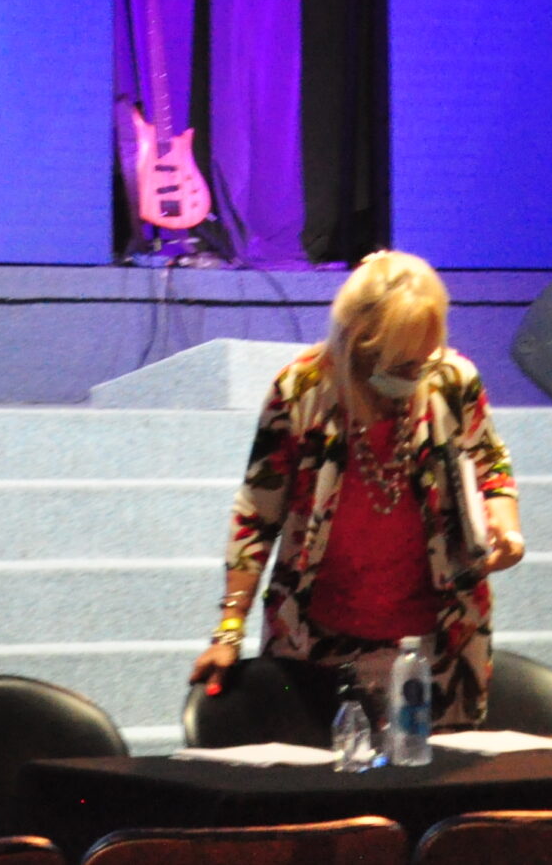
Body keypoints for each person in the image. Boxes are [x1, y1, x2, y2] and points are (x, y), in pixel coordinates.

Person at [189, 250, 526, 725]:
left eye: (426, 356)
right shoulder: (300, 390)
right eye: (404, 363)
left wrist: (507, 529)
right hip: (315, 648)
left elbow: (492, 465)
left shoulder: (454, 380)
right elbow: (256, 514)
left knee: (439, 773)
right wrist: (229, 630)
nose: (419, 373)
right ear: (359, 346)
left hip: (441, 645)